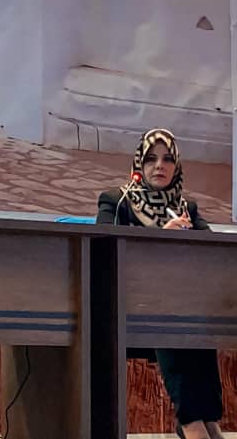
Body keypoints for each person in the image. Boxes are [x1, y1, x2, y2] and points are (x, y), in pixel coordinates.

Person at [96, 128, 225, 439]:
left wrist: (190, 237)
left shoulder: (186, 207)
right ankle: (191, 422)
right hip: (127, 308)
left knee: (197, 319)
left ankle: (208, 419)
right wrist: (160, 236)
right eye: (151, 158)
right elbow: (103, 252)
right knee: (172, 314)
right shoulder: (117, 201)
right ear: (139, 163)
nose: (159, 165)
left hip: (180, 305)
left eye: (168, 159)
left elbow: (214, 250)